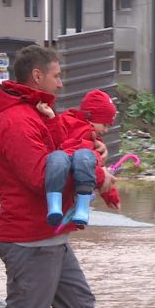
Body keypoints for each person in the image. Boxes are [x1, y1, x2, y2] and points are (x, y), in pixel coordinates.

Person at [0, 44, 155, 308]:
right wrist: (98, 177)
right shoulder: (17, 120)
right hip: (30, 241)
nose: (61, 84)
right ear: (37, 75)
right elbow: (42, 177)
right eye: (57, 76)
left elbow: (64, 152)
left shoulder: (35, 114)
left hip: (49, 237)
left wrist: (92, 153)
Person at [37, 89, 121, 228]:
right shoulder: (67, 123)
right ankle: (57, 207)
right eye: (105, 124)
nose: (106, 130)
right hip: (64, 166)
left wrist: (111, 196)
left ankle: (77, 208)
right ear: (90, 116)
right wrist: (52, 117)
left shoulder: (94, 140)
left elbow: (99, 170)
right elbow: (98, 172)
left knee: (80, 159)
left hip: (70, 174)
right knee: (67, 158)